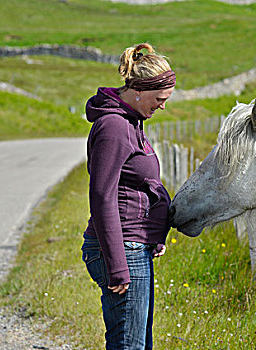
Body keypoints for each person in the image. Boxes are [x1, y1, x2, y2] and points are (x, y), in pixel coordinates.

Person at [81, 42, 175, 350]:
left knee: (138, 343)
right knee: (128, 345)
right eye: (160, 98)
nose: (162, 106)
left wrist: (155, 233)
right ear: (140, 90)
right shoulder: (114, 127)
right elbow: (102, 197)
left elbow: (140, 184)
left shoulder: (133, 123)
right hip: (122, 249)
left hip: (135, 246)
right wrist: (118, 266)